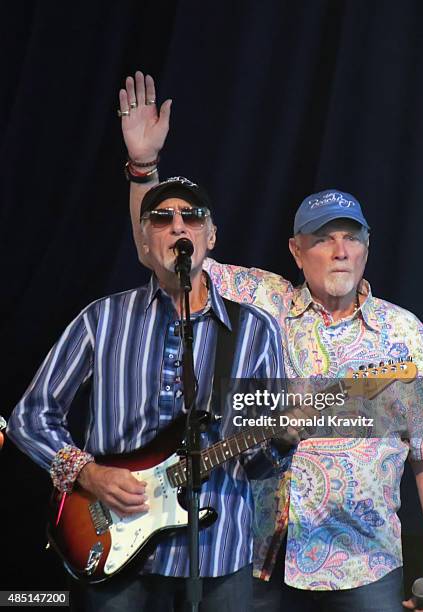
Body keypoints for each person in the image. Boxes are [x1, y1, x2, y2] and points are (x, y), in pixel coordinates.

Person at [120, 72, 423, 612]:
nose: (340, 250)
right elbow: (164, 258)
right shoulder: (261, 299)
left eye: (352, 238)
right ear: (297, 252)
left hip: (364, 565)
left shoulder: (406, 334)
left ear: (368, 249)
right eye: (324, 238)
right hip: (257, 563)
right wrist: (144, 169)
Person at [7, 174, 288, 612]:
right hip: (114, 551)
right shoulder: (102, 319)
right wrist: (87, 473)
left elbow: (257, 465)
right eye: (161, 218)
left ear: (211, 236)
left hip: (217, 554)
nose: (178, 226)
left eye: (192, 216)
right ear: (143, 240)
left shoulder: (255, 330)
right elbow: (30, 416)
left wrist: (280, 439)